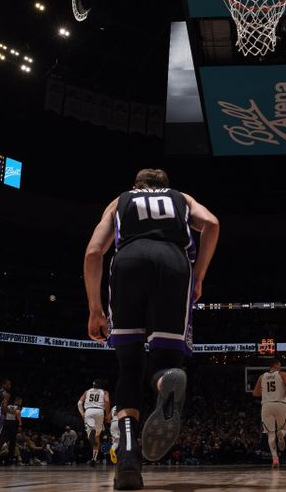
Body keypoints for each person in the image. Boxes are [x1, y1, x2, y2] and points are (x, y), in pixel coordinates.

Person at [85, 168, 219, 490]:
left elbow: (93, 252)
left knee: (129, 367)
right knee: (165, 362)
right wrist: (198, 275)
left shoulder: (120, 201)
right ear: (166, 188)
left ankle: (129, 460)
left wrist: (95, 309)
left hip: (128, 263)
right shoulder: (182, 199)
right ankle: (162, 380)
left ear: (136, 186)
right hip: (174, 265)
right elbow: (212, 224)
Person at [252, 358, 286, 469]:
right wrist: (283, 393)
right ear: (277, 365)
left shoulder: (262, 376)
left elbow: (255, 393)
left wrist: (266, 394)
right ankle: (281, 435)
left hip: (266, 406)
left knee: (270, 434)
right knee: (283, 429)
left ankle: (275, 459)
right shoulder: (282, 374)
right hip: (279, 404)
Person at [78, 379, 111, 467]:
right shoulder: (105, 392)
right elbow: (107, 401)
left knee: (90, 434)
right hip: (100, 412)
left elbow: (79, 403)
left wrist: (82, 413)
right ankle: (94, 459)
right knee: (97, 436)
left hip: (89, 411)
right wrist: (107, 414)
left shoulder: (87, 392)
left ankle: (91, 432)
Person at [3, 396, 23, 465]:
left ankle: (6, 460)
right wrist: (20, 423)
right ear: (17, 401)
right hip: (12, 424)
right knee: (12, 442)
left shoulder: (8, 406)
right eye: (20, 401)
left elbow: (5, 414)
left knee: (5, 440)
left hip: (6, 423)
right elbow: (18, 414)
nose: (21, 402)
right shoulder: (17, 407)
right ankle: (10, 460)